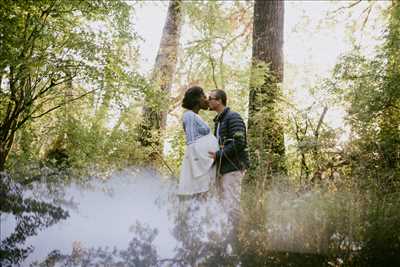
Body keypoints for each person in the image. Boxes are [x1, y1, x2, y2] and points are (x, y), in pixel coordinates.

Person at [207, 89, 249, 220]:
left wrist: (218, 155)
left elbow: (240, 142)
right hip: (224, 168)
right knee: (224, 204)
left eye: (210, 98)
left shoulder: (233, 117)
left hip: (234, 166)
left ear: (219, 100)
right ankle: (228, 236)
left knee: (231, 204)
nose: (208, 100)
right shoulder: (219, 121)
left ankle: (238, 236)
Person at [178, 86, 219, 197]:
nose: (207, 100)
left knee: (204, 196)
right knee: (201, 196)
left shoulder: (194, 116)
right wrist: (200, 165)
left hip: (203, 163)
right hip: (199, 164)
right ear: (197, 99)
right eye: (204, 97)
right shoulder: (189, 116)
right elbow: (191, 142)